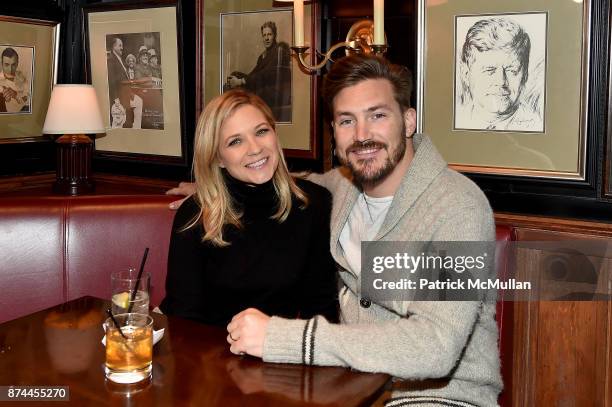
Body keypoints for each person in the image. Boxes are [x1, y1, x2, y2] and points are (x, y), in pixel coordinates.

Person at [167, 55, 502, 406]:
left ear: (408, 120)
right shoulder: (341, 190)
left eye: (377, 115)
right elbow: (284, 186)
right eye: (346, 121)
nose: (361, 136)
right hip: (347, 386)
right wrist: (211, 188)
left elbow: (435, 346)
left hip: (438, 397)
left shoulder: (458, 206)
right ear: (334, 132)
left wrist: (282, 337)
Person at [159, 89, 338, 327]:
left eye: (261, 131)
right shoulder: (195, 215)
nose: (254, 148)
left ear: (275, 134)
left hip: (282, 351)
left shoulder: (313, 204)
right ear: (218, 158)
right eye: (235, 141)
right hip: (208, 355)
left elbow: (320, 308)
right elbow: (184, 319)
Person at [456, 17, 542, 131]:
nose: (501, 81)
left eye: (511, 70)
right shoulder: (455, 118)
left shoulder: (537, 124)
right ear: (466, 74)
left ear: (525, 75)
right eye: (489, 70)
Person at [225, 21, 291, 122]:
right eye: (264, 35)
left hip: (272, 92)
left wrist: (242, 81)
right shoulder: (263, 56)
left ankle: (232, 118)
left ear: (275, 35)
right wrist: (239, 78)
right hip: (261, 87)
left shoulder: (278, 50)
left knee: (236, 88)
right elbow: (253, 74)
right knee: (235, 74)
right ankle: (231, 117)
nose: (267, 38)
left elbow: (266, 74)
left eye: (269, 34)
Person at [106, 37, 133, 127]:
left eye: (122, 45)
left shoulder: (119, 59)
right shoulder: (111, 60)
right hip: (119, 98)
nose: (122, 48)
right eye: (120, 45)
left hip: (126, 95)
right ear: (114, 47)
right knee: (119, 124)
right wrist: (116, 99)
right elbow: (112, 80)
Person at [0, 47, 31, 113]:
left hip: (25, 113)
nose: (10, 69)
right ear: (1, 63)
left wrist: (16, 95)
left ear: (17, 63)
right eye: (6, 65)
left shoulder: (21, 76)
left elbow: (28, 97)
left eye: (13, 65)